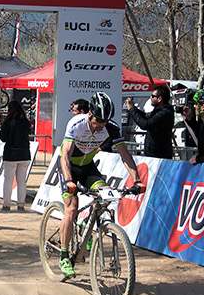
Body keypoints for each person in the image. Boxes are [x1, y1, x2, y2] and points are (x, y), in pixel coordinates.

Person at [58, 92, 144, 278]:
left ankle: (85, 224)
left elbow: (125, 156)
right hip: (69, 166)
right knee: (71, 208)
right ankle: (64, 255)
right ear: (90, 115)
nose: (100, 126)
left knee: (105, 197)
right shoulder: (76, 124)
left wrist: (137, 179)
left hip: (88, 167)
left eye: (104, 122)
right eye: (98, 121)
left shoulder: (111, 128)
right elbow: (65, 154)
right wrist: (68, 180)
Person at [125, 85, 175, 159]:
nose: (150, 98)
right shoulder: (158, 111)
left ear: (159, 99)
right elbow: (146, 116)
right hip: (151, 154)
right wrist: (133, 108)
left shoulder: (165, 113)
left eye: (153, 96)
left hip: (159, 156)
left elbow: (145, 124)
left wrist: (132, 110)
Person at [0, 101, 31, 212]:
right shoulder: (26, 122)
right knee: (22, 181)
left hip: (11, 154)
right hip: (25, 154)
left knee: (8, 180)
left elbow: (2, 138)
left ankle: (7, 205)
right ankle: (21, 204)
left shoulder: (8, 122)